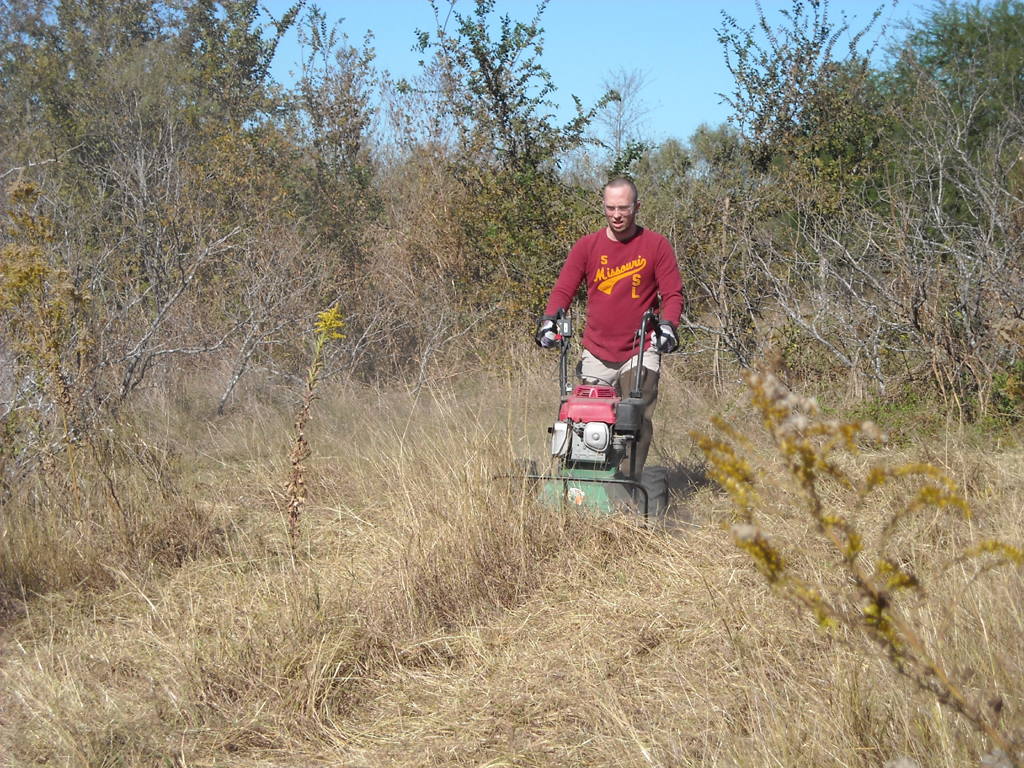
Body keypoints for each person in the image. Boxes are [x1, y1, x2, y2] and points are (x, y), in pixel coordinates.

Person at [535, 177, 684, 481]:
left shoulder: (655, 245)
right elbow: (563, 289)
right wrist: (550, 319)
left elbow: (672, 295)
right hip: (597, 350)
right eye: (610, 207)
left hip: (640, 348)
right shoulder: (587, 246)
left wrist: (668, 326)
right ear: (603, 207)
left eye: (624, 208)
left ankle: (627, 484)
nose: (617, 214)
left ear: (637, 207)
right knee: (583, 415)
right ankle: (582, 480)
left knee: (635, 414)